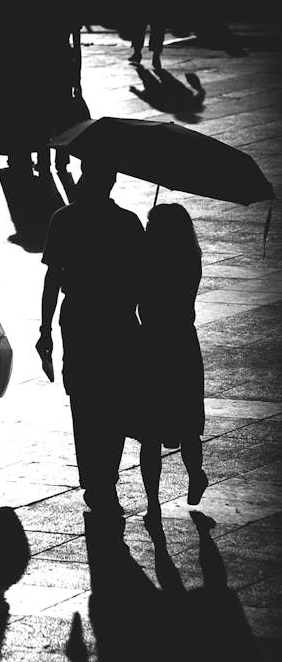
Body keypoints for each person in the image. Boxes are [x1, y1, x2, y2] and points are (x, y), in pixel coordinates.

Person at [36, 161, 145, 512]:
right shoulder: (128, 222)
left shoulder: (64, 219)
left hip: (79, 315)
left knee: (83, 397)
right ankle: (107, 476)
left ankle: (92, 476)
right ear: (112, 181)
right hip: (118, 318)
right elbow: (140, 277)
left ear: (84, 176)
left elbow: (53, 277)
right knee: (114, 397)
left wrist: (45, 327)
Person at [137, 203, 208, 530]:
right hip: (181, 342)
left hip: (151, 344)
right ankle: (196, 474)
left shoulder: (146, 261)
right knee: (187, 421)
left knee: (149, 431)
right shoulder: (190, 258)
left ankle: (153, 503)